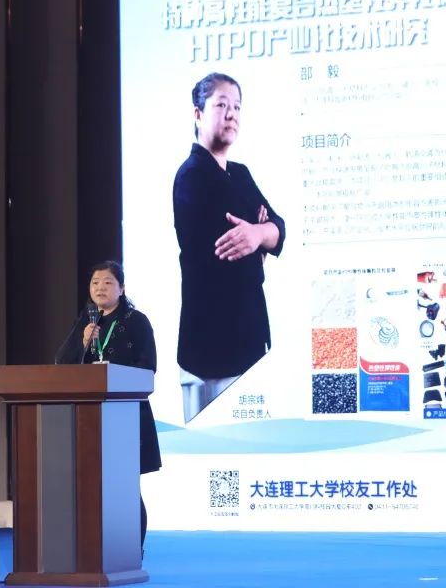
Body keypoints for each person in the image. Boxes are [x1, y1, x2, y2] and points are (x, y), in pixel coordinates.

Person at [173, 72, 285, 422]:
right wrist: (259, 235)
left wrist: (259, 233)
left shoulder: (242, 174)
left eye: (237, 106)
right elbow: (222, 254)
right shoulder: (191, 175)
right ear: (198, 114)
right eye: (221, 105)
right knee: (212, 448)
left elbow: (279, 228)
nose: (232, 113)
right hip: (210, 347)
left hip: (249, 339)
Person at [55, 260, 162, 549]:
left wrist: (114, 376)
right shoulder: (86, 322)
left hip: (127, 416)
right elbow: (62, 364)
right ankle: (96, 550)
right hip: (89, 418)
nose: (100, 288)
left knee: (126, 488)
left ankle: (132, 549)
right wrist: (82, 342)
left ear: (122, 288)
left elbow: (148, 368)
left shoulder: (136, 321)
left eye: (107, 282)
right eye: (95, 283)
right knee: (91, 488)